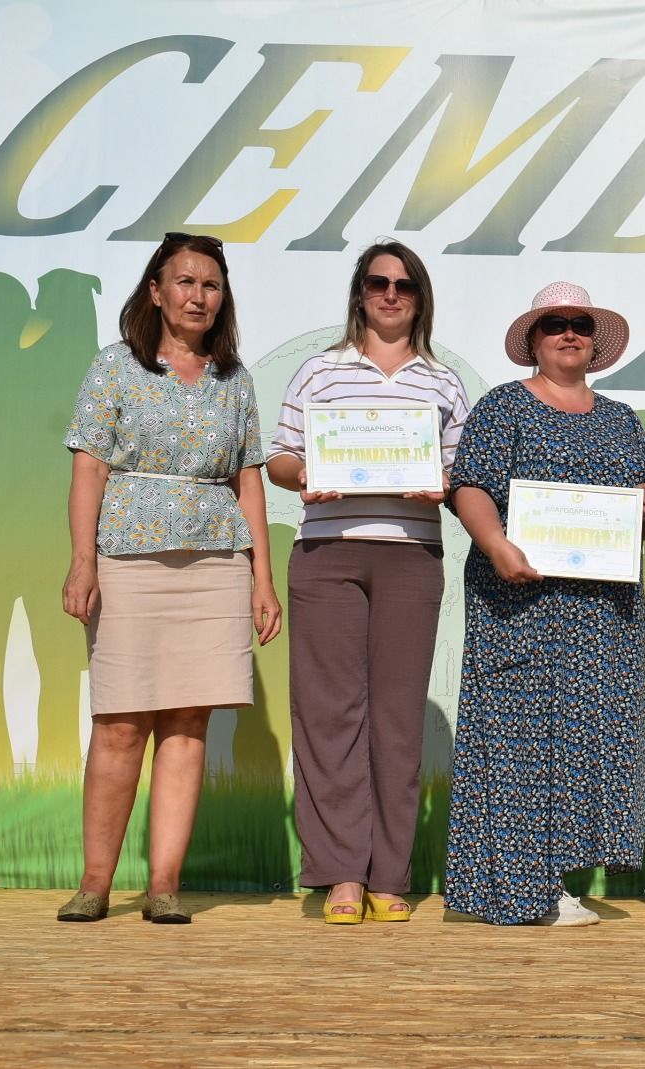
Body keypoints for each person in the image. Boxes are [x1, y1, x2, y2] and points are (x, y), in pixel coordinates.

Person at [57, 233, 281, 924]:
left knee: (187, 723)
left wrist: (261, 580)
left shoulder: (233, 379)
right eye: (184, 282)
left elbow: (249, 480)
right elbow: (89, 468)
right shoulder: (114, 368)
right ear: (155, 290)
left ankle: (164, 886)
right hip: (127, 559)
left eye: (210, 285)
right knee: (120, 721)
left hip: (215, 562)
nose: (197, 296)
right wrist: (83, 560)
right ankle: (95, 883)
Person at [444, 282, 645, 926]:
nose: (569, 333)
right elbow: (471, 488)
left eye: (580, 324)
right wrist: (496, 544)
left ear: (594, 341)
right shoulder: (503, 406)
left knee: (585, 739)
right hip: (520, 600)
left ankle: (555, 881)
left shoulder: (622, 419)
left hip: (602, 614)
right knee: (517, 736)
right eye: (554, 324)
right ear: (533, 341)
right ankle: (519, 890)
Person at [266, 241, 471, 924]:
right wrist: (309, 474)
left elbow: (457, 476)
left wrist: (436, 482)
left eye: (404, 285)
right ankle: (340, 874)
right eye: (378, 282)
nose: (391, 294)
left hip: (411, 553)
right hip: (327, 549)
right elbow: (282, 460)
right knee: (328, 716)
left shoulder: (441, 383)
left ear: (421, 297)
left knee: (396, 718)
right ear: (359, 292)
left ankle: (390, 874)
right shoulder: (320, 371)